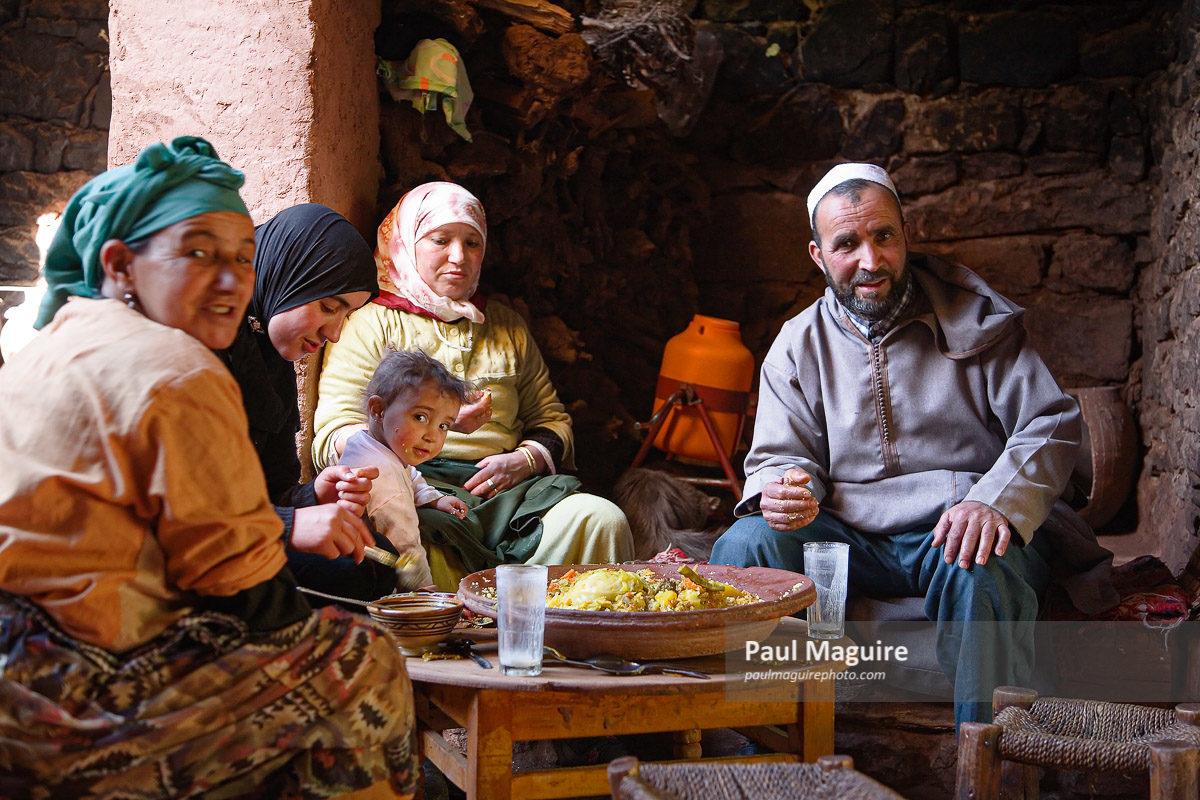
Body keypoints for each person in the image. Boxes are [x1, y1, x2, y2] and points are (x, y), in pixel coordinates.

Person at [2, 137, 417, 797]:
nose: (230, 281)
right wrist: (298, 575)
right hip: (61, 692)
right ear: (122, 265)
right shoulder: (175, 368)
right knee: (360, 662)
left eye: (242, 258)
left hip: (29, 652)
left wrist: (307, 499)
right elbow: (244, 588)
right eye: (197, 254)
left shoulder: (57, 340)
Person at [710, 162, 1115, 727]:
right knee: (745, 546)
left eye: (884, 237)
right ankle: (751, 749)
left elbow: (1049, 423)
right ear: (817, 255)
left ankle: (988, 758)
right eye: (846, 244)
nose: (870, 261)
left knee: (980, 568)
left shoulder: (978, 321)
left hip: (957, 524)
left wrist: (993, 500)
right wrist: (784, 488)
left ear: (905, 235)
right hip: (848, 535)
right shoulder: (797, 344)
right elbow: (783, 454)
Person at [313, 181, 633, 588]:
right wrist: (429, 425)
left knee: (601, 519)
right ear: (407, 242)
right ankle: (461, 636)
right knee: (422, 539)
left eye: (472, 243)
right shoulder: (371, 322)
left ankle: (564, 638)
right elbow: (332, 433)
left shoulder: (507, 327)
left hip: (513, 496)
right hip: (420, 488)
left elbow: (553, 421)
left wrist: (525, 460)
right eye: (440, 240)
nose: (458, 257)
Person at [221, 203, 395, 602]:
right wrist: (288, 525)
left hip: (243, 534)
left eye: (344, 315)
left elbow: (269, 488)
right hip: (181, 548)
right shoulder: (202, 350)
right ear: (288, 276)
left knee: (371, 562)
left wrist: (312, 495)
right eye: (329, 307)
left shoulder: (267, 352)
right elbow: (177, 505)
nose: (333, 334)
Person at [339, 350, 473, 590]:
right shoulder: (384, 477)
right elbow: (405, 545)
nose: (432, 436)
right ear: (378, 409)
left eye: (444, 425)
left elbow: (409, 474)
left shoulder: (370, 444)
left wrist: (432, 499)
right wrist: (424, 590)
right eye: (420, 417)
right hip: (363, 575)